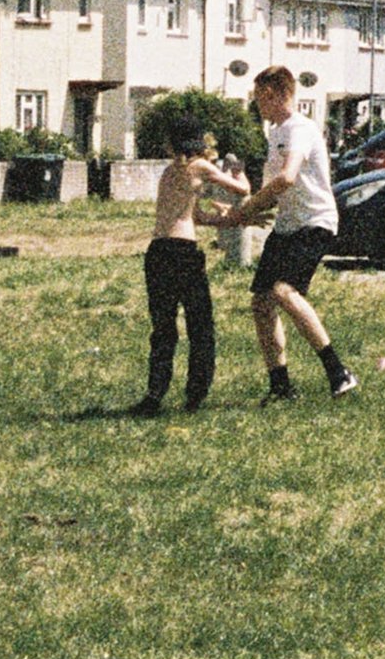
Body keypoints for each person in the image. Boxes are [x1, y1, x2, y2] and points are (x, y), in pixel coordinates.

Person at [219, 68, 357, 403]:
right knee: (261, 303)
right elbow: (275, 189)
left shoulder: (300, 129)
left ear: (281, 93)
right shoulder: (276, 133)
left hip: (315, 222)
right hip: (287, 226)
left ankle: (339, 373)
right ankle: (281, 387)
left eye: (262, 97)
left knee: (283, 291)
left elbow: (287, 178)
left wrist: (249, 207)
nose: (258, 104)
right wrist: (247, 213)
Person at [129, 127, 249, 416]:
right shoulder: (200, 167)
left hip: (158, 251)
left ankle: (154, 393)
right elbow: (242, 190)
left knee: (163, 328)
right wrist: (239, 171)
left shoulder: (170, 172)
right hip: (184, 253)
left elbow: (194, 217)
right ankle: (196, 393)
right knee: (200, 325)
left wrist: (224, 219)